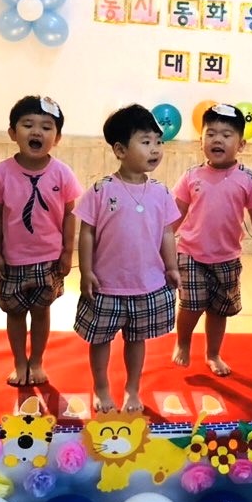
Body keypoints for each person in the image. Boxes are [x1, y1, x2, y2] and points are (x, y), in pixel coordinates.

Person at [74, 104, 181, 413]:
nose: (155, 149)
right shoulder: (101, 190)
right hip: (106, 285)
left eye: (158, 142)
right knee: (100, 339)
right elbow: (87, 232)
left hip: (146, 284)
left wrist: (172, 266)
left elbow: (167, 233)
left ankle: (132, 389)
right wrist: (85, 271)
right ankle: (101, 387)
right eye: (145, 142)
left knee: (137, 340)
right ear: (120, 150)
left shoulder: (161, 192)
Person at [0, 96, 82, 387]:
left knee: (41, 312)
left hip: (49, 258)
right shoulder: (1, 172)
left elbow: (69, 215)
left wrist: (67, 253)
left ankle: (37, 361)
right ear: (12, 133)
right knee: (15, 313)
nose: (37, 131)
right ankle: (19, 362)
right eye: (28, 125)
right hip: (12, 259)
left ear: (57, 137)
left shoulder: (62, 173)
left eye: (46, 127)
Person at [171, 104, 252, 376]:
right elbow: (176, 212)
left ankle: (213, 354)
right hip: (191, 253)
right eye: (211, 133)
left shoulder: (248, 178)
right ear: (200, 140)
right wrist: (161, 242)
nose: (218, 140)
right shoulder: (192, 175)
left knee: (219, 310)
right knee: (191, 305)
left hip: (227, 257)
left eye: (226, 135)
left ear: (241, 144)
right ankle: (183, 342)